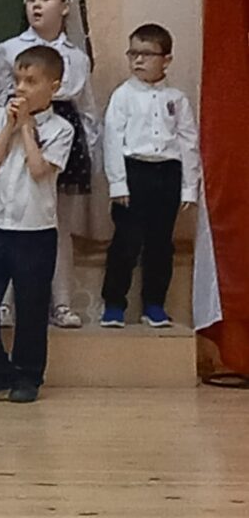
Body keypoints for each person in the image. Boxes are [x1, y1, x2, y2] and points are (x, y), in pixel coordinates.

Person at [0, 46, 74, 404]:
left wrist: (27, 127)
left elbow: (40, 170)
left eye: (31, 81)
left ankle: (28, 375)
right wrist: (10, 125)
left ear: (53, 87)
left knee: (31, 307)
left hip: (34, 230)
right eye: (17, 80)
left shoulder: (61, 129)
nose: (21, 88)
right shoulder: (0, 117)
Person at [0, 0, 99, 329]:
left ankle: (61, 303)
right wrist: (11, 129)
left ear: (64, 7)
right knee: (11, 218)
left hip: (63, 136)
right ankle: (4, 303)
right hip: (17, 130)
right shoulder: (8, 50)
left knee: (57, 223)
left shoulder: (77, 57)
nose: (36, 5)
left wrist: (89, 152)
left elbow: (87, 109)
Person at [100, 24, 199, 329]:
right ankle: (114, 303)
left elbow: (188, 143)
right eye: (133, 53)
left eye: (147, 54)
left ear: (166, 60)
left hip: (167, 173)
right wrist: (118, 183)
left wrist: (189, 188)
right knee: (126, 241)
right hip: (134, 172)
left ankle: (154, 303)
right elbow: (112, 140)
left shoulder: (177, 98)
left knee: (160, 242)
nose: (138, 60)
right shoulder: (123, 95)